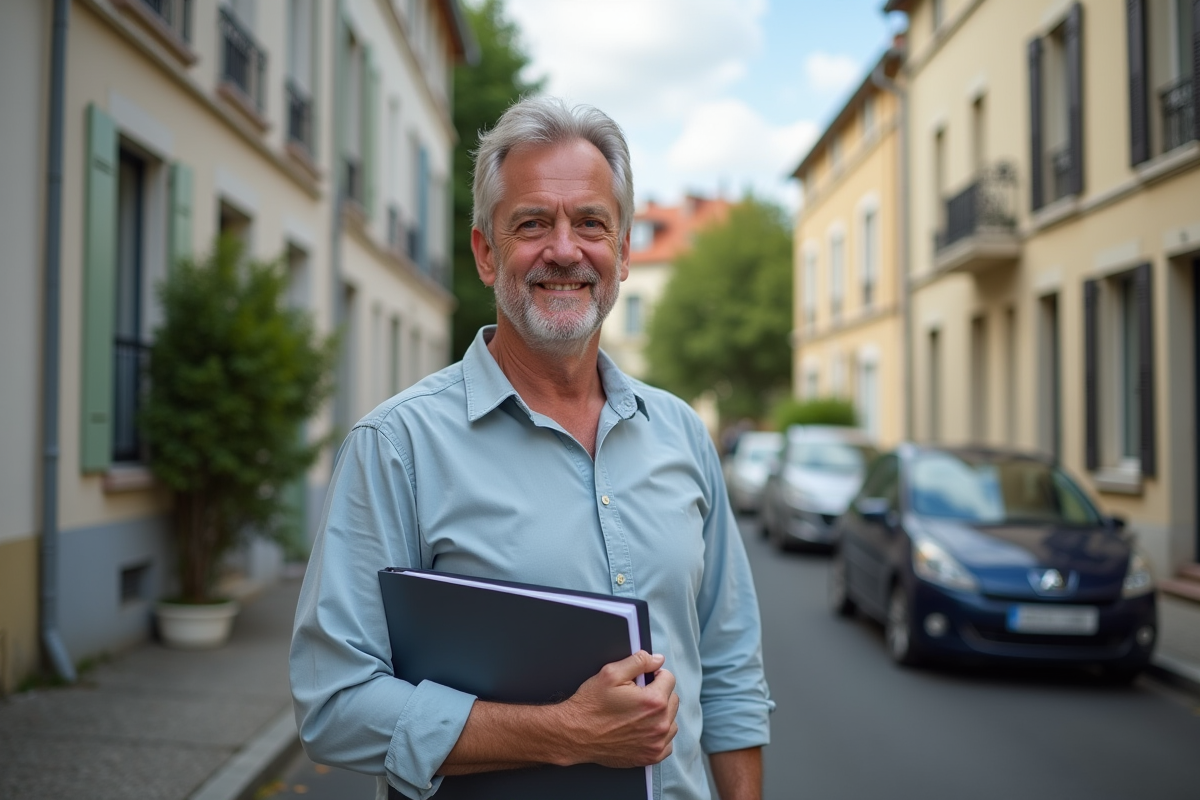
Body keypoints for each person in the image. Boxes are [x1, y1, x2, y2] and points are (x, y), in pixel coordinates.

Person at [289, 96, 774, 800]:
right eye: (532, 223)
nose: (565, 250)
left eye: (591, 224)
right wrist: (566, 731)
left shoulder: (682, 436)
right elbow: (334, 708)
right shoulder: (397, 447)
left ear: (625, 252)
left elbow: (730, 673)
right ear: (487, 253)